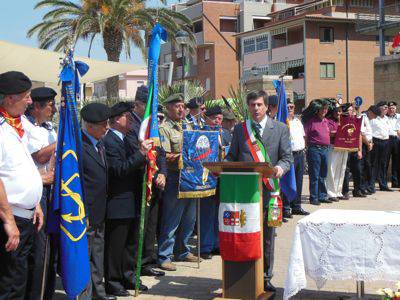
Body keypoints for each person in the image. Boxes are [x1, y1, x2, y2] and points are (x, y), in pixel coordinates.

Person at [226, 90, 292, 293]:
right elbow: (232, 157)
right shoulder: (240, 130)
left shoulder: (280, 128)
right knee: (245, 233)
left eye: (259, 105)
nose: (256, 108)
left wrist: (278, 169)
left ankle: (265, 276)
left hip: (269, 191)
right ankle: (245, 274)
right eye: (252, 105)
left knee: (267, 236)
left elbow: (287, 158)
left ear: (266, 107)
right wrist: (222, 168)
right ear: (248, 106)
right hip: (244, 193)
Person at [0, 71, 44, 299]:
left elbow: (20, 169)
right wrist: (9, 221)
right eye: (26, 96)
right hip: (11, 218)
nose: (30, 101)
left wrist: (35, 203)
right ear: (9, 99)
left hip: (25, 216)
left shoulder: (13, 126)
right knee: (10, 284)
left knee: (21, 279)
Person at [103, 102, 152, 297]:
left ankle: (129, 275)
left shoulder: (125, 139)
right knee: (116, 246)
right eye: (127, 116)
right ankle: (113, 281)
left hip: (131, 198)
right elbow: (119, 169)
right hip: (118, 200)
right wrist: (140, 155)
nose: (131, 120)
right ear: (116, 120)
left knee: (130, 242)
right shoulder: (110, 141)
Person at [125, 85, 166, 278]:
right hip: (139, 180)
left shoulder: (151, 125)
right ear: (138, 104)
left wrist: (162, 173)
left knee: (151, 224)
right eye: (149, 106)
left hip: (155, 181)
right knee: (139, 226)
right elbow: (137, 151)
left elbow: (161, 152)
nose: (152, 111)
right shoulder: (132, 126)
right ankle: (135, 265)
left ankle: (147, 261)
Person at [158, 93, 200, 271]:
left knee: (189, 218)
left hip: (192, 177)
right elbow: (164, 156)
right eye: (177, 106)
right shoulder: (164, 128)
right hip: (175, 177)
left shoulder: (190, 125)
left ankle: (183, 250)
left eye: (182, 106)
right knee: (172, 218)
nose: (181, 109)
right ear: (168, 108)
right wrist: (184, 157)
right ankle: (164, 255)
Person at [24, 87, 58, 300]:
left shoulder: (49, 128)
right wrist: (61, 142)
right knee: (38, 251)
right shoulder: (27, 127)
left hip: (53, 190)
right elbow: (41, 156)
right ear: (36, 106)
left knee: (50, 251)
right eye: (50, 105)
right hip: (38, 191)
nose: (53, 109)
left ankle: (48, 292)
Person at [80, 103, 116, 300]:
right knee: (84, 257)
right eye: (103, 124)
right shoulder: (79, 146)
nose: (106, 128)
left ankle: (98, 294)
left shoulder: (99, 143)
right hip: (85, 212)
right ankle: (84, 294)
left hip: (100, 211)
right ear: (90, 125)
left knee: (97, 255)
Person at [199, 106, 231, 260]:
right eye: (215, 118)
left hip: (223, 178)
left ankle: (217, 244)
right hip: (207, 177)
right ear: (207, 119)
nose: (218, 121)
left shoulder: (226, 134)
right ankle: (205, 246)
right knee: (206, 213)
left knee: (220, 212)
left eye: (220, 118)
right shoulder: (201, 133)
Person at [304, 99, 331, 205]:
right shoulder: (311, 121)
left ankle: (322, 196)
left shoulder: (326, 121)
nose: (325, 110)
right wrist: (307, 148)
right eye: (323, 109)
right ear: (318, 110)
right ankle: (314, 197)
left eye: (326, 109)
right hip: (314, 149)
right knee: (314, 174)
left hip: (325, 149)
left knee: (323, 174)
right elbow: (305, 135)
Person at [286, 100, 309, 215]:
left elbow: (303, 136)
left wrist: (304, 149)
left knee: (299, 181)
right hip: (289, 155)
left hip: (300, 154)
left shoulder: (297, 121)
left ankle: (296, 206)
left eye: (292, 107)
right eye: (288, 107)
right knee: (288, 181)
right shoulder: (283, 122)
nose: (290, 109)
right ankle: (286, 208)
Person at [341, 104, 364, 198]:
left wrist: (360, 150)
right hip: (345, 150)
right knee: (345, 171)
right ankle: (345, 191)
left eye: (352, 110)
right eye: (349, 110)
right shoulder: (341, 121)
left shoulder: (356, 121)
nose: (351, 112)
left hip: (354, 149)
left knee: (357, 170)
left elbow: (359, 136)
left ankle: (357, 190)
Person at [370, 101, 392, 192]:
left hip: (386, 142)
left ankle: (383, 184)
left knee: (383, 164)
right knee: (374, 164)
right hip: (376, 142)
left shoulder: (387, 119)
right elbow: (369, 131)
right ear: (379, 108)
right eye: (385, 107)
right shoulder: (374, 119)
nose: (387, 109)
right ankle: (371, 185)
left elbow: (390, 131)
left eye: (387, 108)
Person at [325, 104, 344, 202]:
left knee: (340, 170)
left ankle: (338, 191)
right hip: (333, 147)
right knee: (331, 170)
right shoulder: (329, 121)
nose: (338, 113)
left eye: (340, 111)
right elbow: (329, 133)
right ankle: (330, 193)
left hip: (343, 147)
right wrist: (340, 132)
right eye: (336, 111)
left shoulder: (344, 121)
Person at [360, 105, 379, 194]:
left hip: (368, 145)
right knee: (363, 167)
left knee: (368, 167)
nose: (375, 117)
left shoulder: (368, 118)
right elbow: (362, 134)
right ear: (370, 112)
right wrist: (368, 144)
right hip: (363, 145)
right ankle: (362, 187)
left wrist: (370, 142)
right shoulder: (363, 117)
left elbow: (368, 134)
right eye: (375, 115)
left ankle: (366, 187)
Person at [386, 101, 400, 188]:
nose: (391, 110)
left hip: (397, 140)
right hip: (387, 140)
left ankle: (395, 182)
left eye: (393, 108)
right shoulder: (383, 117)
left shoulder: (399, 117)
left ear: (396, 109)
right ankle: (383, 183)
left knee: (397, 162)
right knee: (385, 162)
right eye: (390, 108)